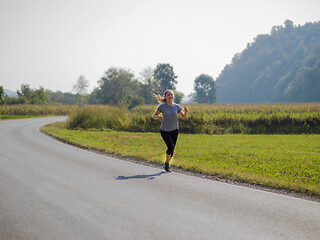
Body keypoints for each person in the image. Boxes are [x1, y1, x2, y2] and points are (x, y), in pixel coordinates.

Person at [153, 90, 189, 172]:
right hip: (165, 130)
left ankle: (167, 163)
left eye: (171, 94)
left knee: (172, 150)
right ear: (165, 97)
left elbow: (183, 117)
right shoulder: (162, 106)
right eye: (168, 95)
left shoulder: (177, 106)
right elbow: (155, 115)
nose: (170, 96)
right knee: (170, 147)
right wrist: (158, 117)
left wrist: (186, 112)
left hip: (174, 130)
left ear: (173, 96)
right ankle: (167, 164)